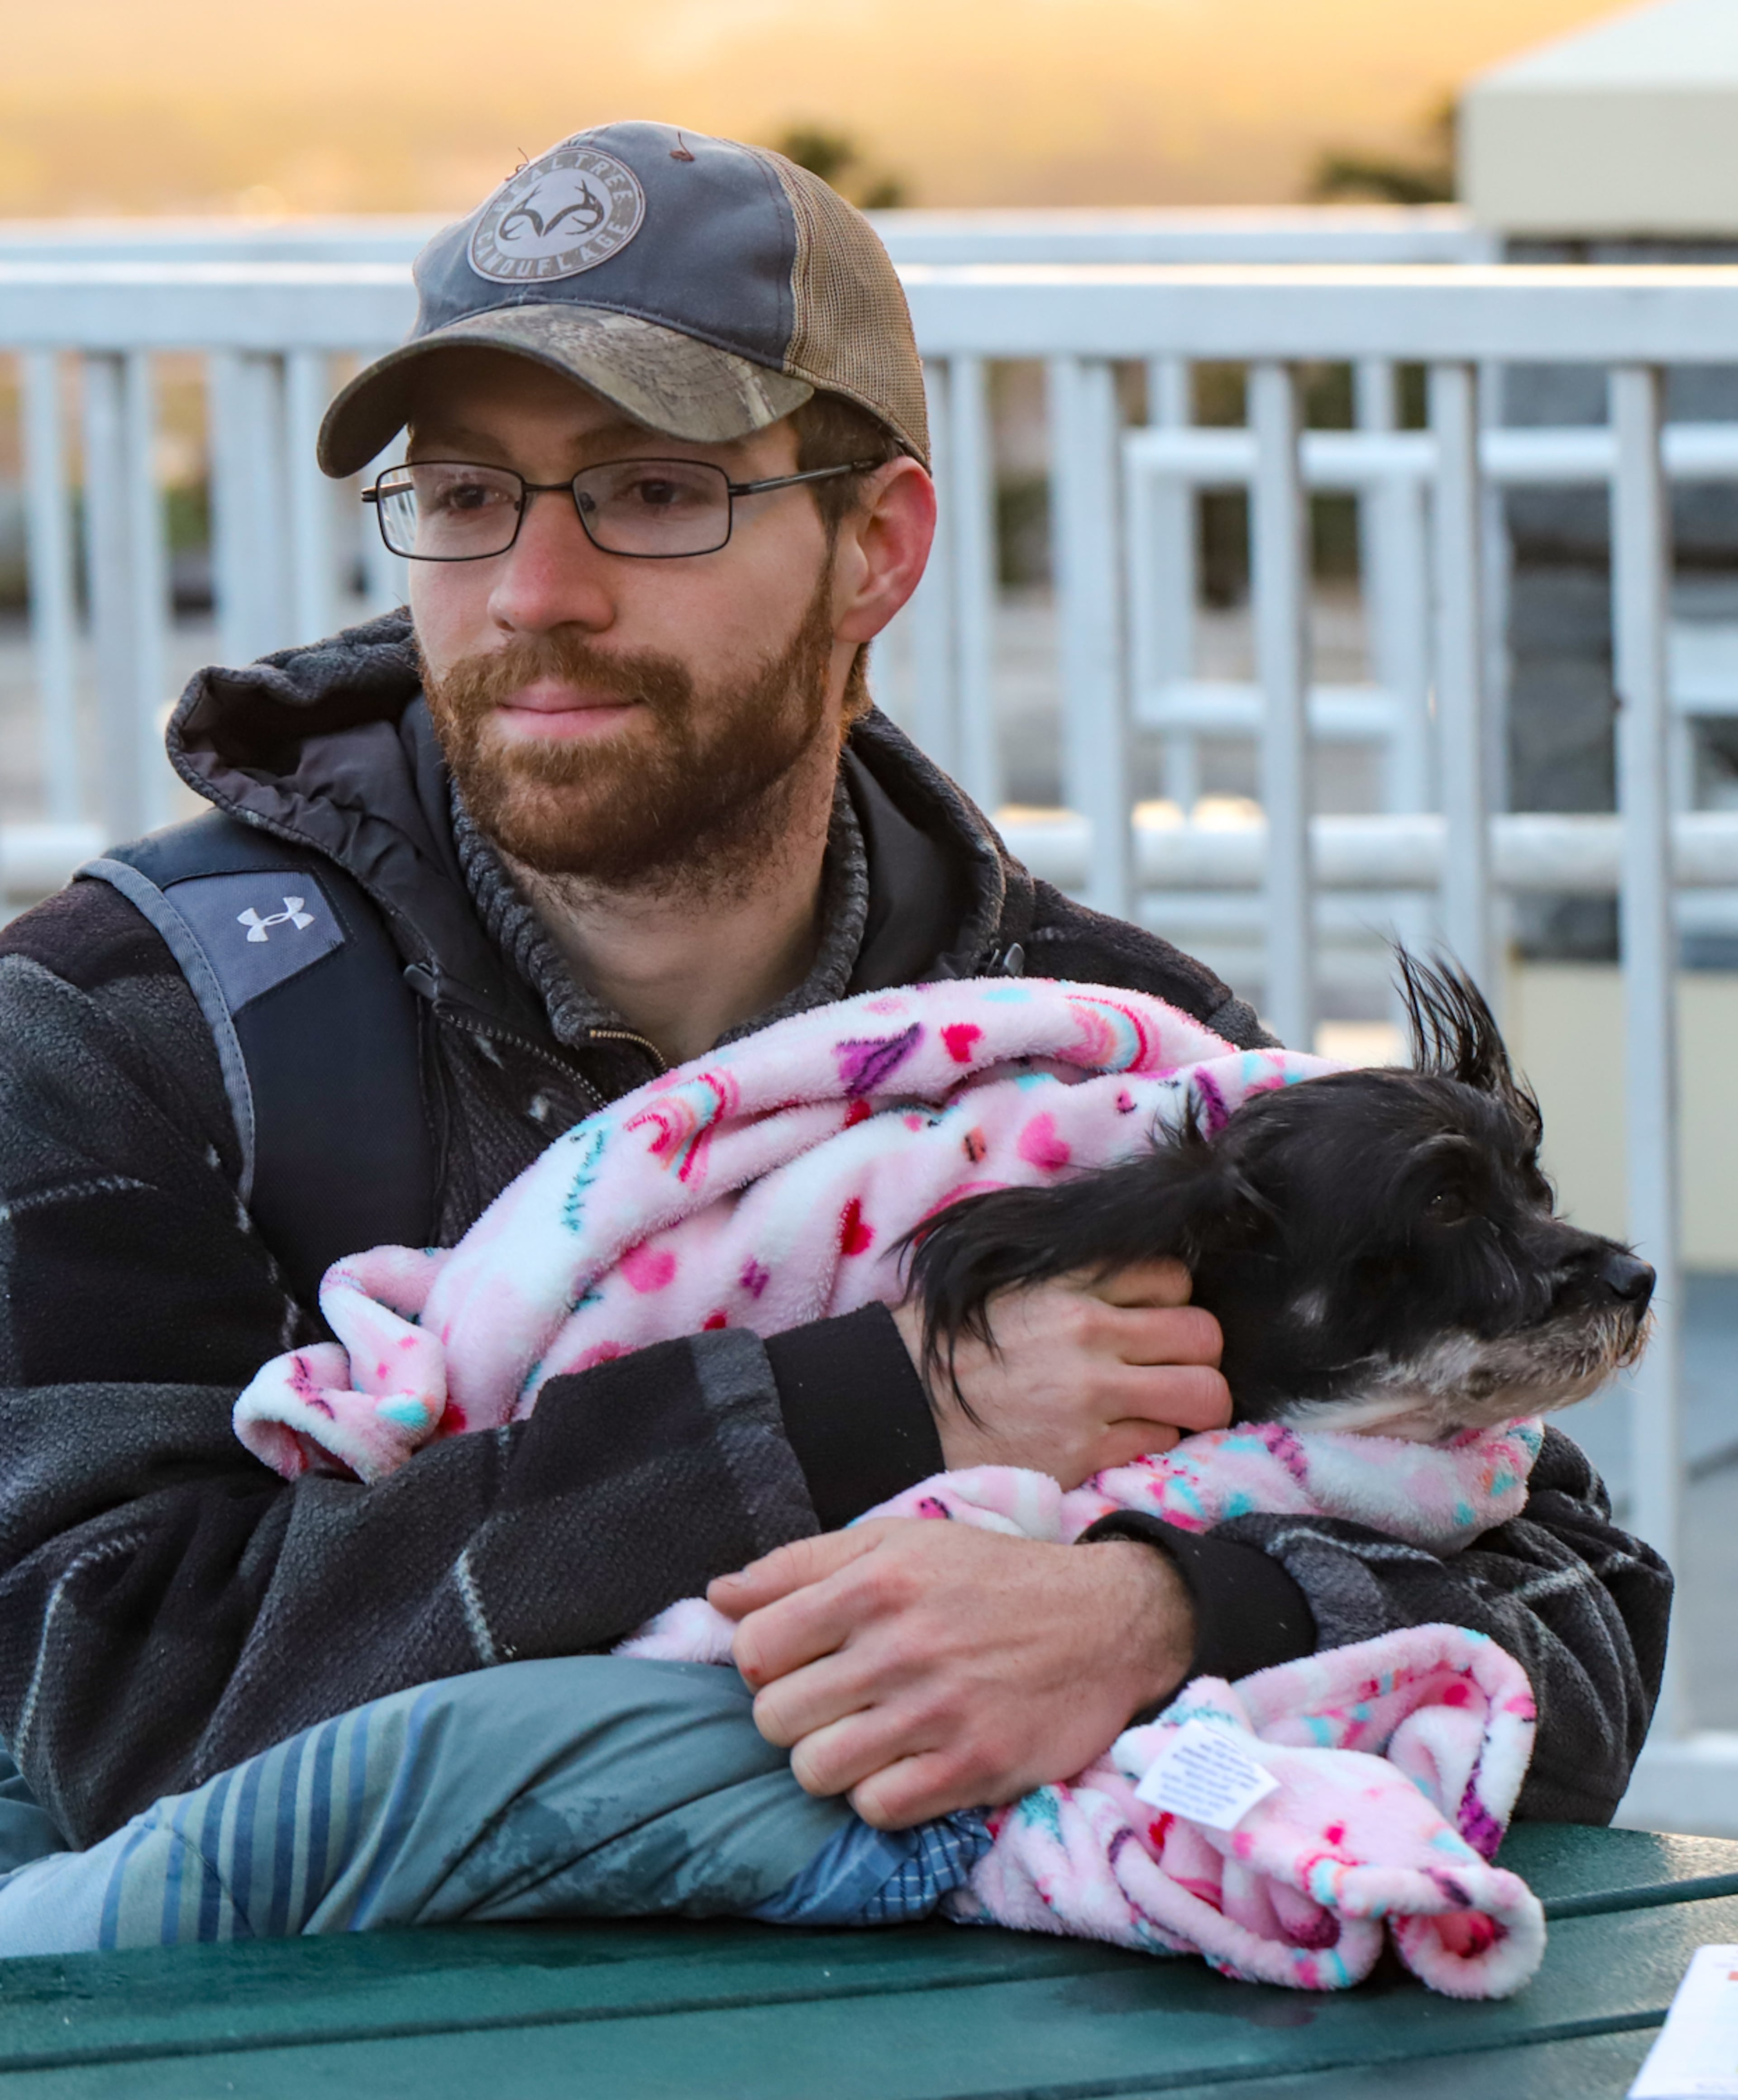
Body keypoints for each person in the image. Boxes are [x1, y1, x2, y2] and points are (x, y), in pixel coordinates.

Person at [0, 121, 1666, 1867]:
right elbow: (108, 1688)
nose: (530, 592)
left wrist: (1158, 1616)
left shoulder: (1108, 1042)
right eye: (468, 494)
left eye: (654, 489)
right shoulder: (135, 1024)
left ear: (878, 546)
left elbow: (1586, 1611)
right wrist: (886, 1399)